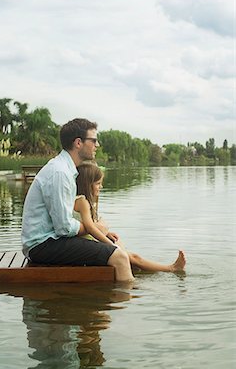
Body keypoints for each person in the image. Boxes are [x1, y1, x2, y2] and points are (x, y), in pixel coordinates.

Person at [21, 118, 134, 282]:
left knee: (113, 244)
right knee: (119, 258)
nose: (98, 145)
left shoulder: (65, 169)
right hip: (42, 245)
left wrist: (98, 231)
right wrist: (94, 227)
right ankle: (127, 300)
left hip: (51, 241)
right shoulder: (60, 173)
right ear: (78, 143)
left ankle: (104, 301)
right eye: (94, 140)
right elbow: (64, 228)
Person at [74, 163, 186, 273]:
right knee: (134, 257)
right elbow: (90, 228)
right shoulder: (82, 201)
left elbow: (89, 224)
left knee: (128, 255)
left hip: (90, 242)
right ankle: (172, 268)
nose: (101, 187)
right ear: (87, 185)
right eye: (98, 183)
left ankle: (140, 269)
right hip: (88, 246)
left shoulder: (81, 201)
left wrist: (107, 234)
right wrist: (110, 244)